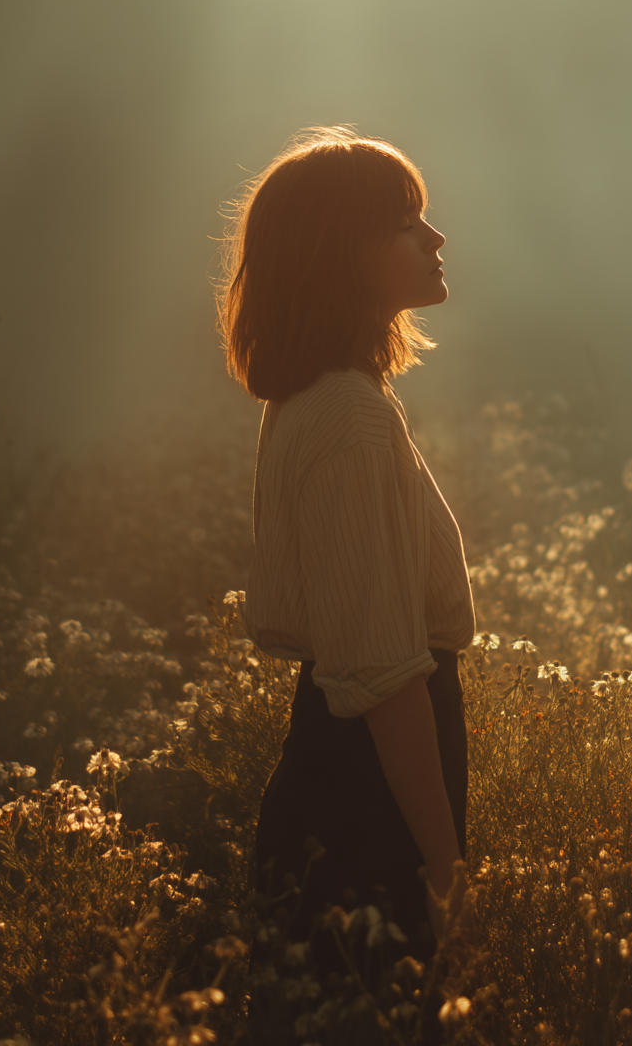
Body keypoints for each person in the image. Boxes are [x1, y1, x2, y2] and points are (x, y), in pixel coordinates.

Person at [218, 126, 476, 957]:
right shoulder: (350, 416)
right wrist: (443, 866)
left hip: (339, 773)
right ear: (346, 250)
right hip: (367, 800)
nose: (434, 238)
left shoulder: (315, 400)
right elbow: (383, 674)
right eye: (406, 222)